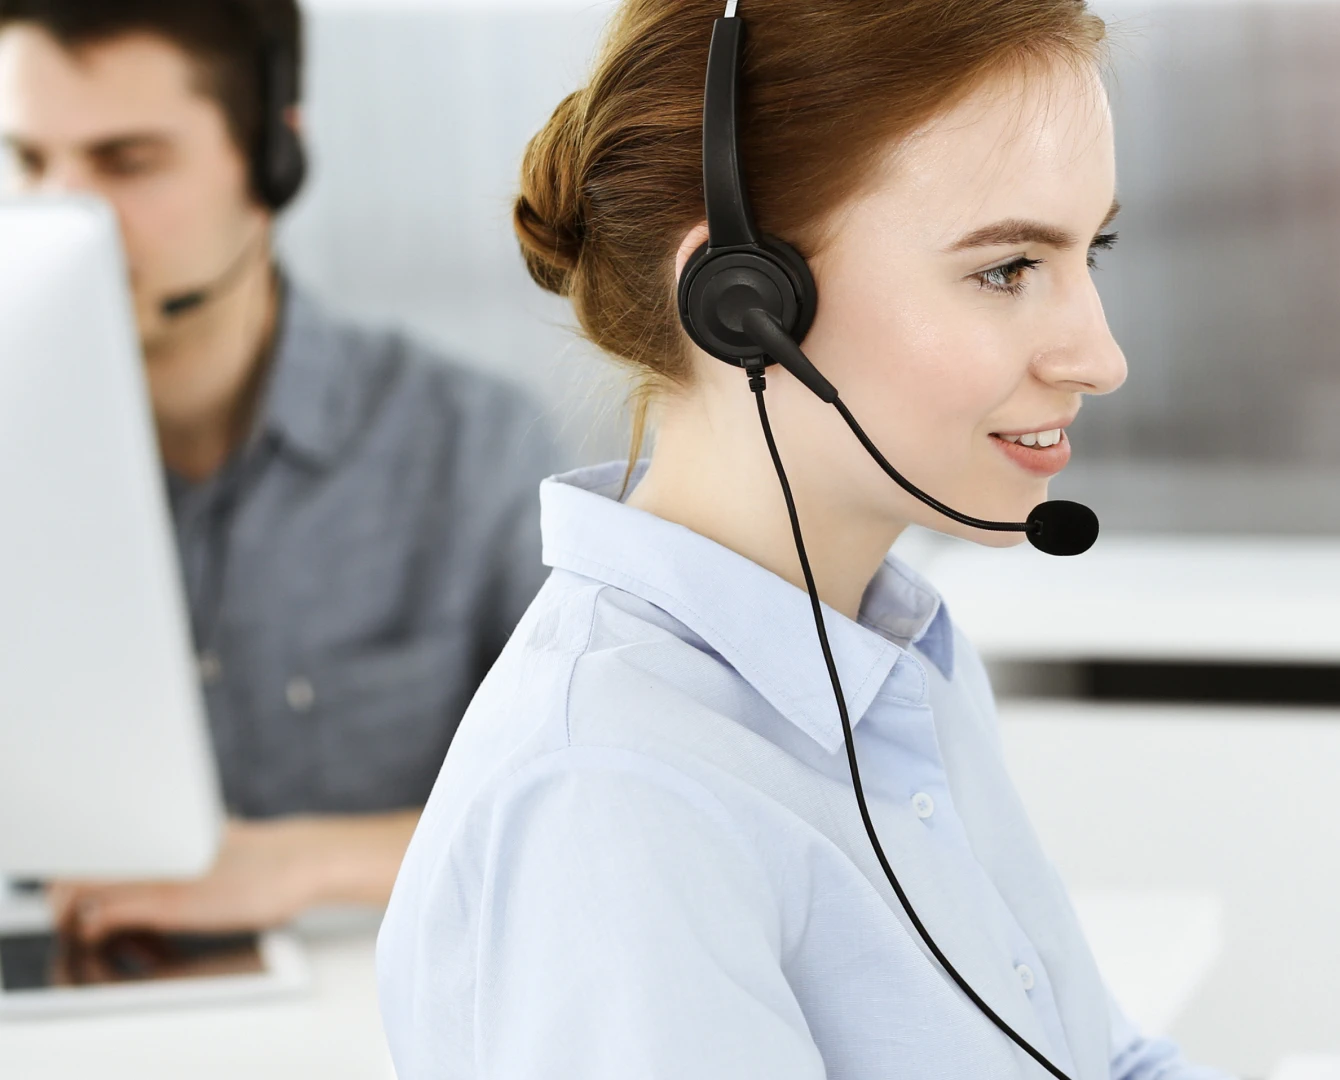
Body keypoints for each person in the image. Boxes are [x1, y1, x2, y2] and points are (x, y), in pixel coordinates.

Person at [377, 0, 1231, 1076]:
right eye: (1008, 268)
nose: (1099, 357)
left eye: (1088, 250)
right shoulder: (616, 797)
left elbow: (1091, 1063)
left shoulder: (891, 656)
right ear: (745, 305)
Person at [0, 0, 561, 941]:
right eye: (26, 161)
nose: (64, 211)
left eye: (126, 162)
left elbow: (601, 808)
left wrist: (299, 865)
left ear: (273, 159)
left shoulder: (471, 448)